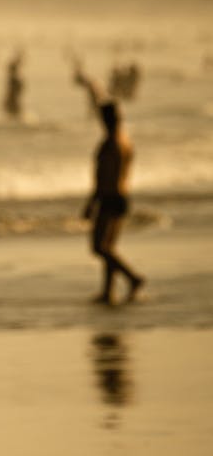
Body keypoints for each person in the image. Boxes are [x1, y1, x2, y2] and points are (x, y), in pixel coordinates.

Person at [81, 99, 145, 305]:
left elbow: (104, 177)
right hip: (122, 196)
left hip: (109, 196)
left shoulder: (111, 143)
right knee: (109, 247)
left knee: (99, 247)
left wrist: (92, 202)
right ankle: (108, 292)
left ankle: (132, 278)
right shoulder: (125, 140)